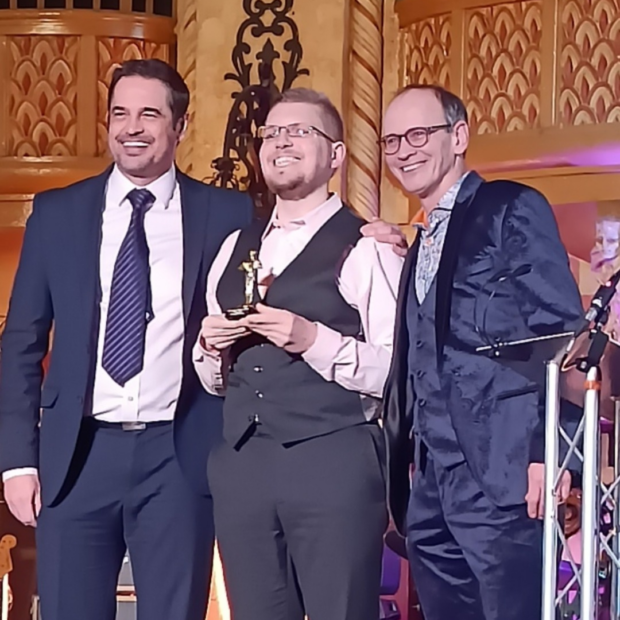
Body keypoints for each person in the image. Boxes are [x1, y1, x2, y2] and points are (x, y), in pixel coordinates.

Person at [0, 59, 255, 620]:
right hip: (76, 456)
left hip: (180, 457)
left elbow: (294, 250)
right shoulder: (57, 212)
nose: (131, 127)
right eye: (119, 113)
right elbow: (21, 341)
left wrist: (370, 235)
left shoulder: (228, 213)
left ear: (179, 127)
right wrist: (18, 462)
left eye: (148, 114)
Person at [193, 87, 403, 620]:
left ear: (335, 155)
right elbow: (216, 381)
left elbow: (396, 373)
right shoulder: (233, 247)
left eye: (298, 131)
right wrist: (209, 350)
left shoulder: (368, 245)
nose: (280, 141)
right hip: (242, 462)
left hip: (333, 459)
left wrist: (313, 339)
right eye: (271, 133)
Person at [381, 85, 584, 620]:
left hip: (506, 470)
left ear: (460, 136)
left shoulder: (509, 207)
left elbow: (562, 335)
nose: (404, 150)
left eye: (419, 134)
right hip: (431, 482)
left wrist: (552, 452)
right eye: (391, 140)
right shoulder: (419, 244)